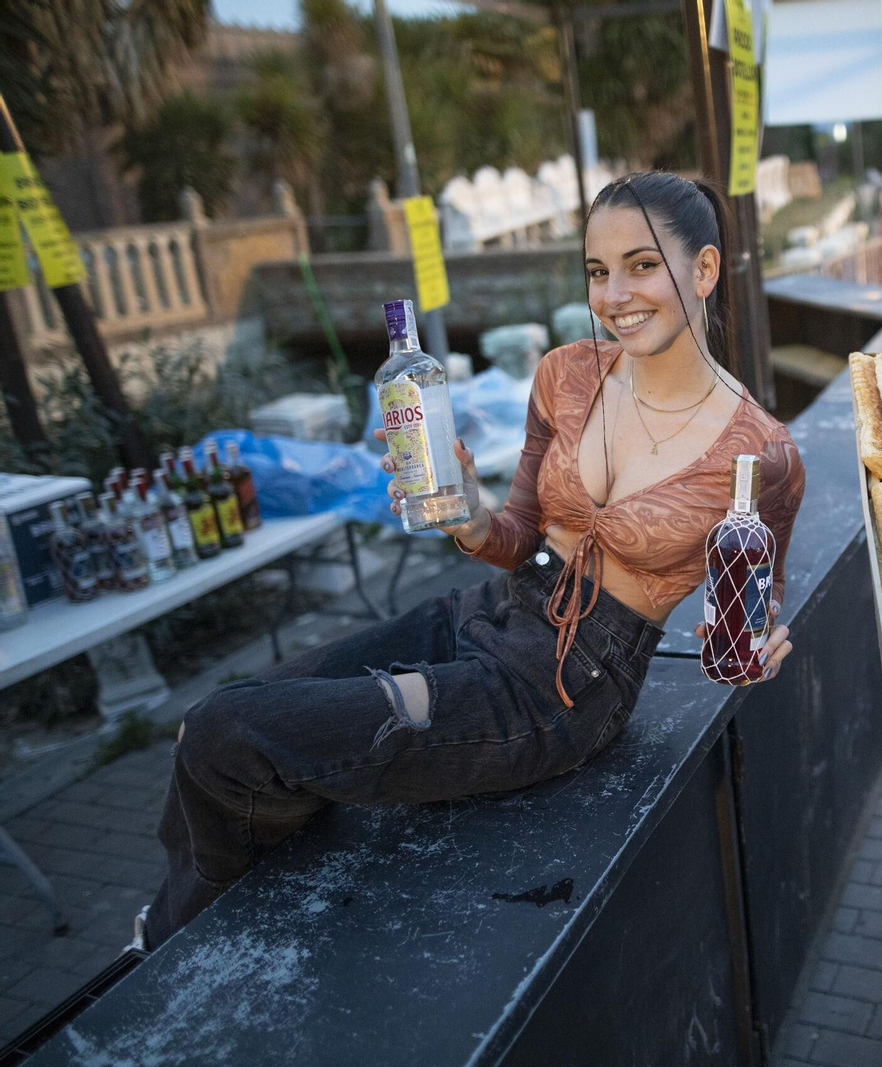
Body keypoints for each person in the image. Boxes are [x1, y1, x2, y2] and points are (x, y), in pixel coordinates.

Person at [136, 171, 807, 951]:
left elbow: (750, 613)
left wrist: (755, 649)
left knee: (227, 735)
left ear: (705, 268)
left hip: (561, 686)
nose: (615, 294)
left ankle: (174, 945)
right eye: (597, 271)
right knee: (214, 719)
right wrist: (467, 512)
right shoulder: (567, 373)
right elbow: (516, 534)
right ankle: (198, 914)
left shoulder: (761, 453)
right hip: (485, 610)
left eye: (642, 264)